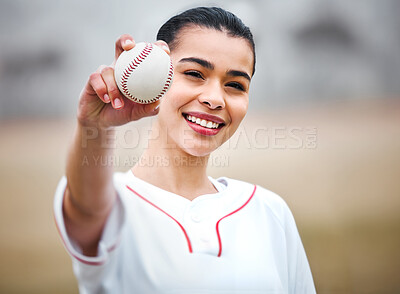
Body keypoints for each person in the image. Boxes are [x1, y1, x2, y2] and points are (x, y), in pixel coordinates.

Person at [54, 6, 316, 294]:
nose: (215, 99)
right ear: (158, 75)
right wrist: (94, 126)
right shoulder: (113, 204)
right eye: (194, 73)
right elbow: (85, 209)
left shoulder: (270, 212)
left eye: (235, 85)